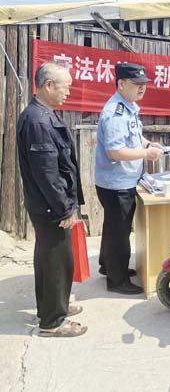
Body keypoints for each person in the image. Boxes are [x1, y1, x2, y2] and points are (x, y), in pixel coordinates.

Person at [16, 62, 87, 337]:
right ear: (48, 85)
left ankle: (52, 307)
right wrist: (64, 209)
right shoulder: (38, 121)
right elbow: (47, 173)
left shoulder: (43, 114)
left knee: (49, 258)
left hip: (47, 204)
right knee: (57, 261)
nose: (68, 92)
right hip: (51, 206)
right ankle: (53, 322)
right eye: (65, 87)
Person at [95, 63, 163, 294]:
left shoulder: (128, 106)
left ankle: (108, 266)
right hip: (117, 183)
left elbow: (133, 136)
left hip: (121, 180)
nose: (142, 88)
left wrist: (148, 144)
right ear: (121, 84)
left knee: (113, 227)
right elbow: (115, 152)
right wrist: (146, 154)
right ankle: (117, 280)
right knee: (119, 233)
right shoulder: (115, 113)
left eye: (144, 84)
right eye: (136, 84)